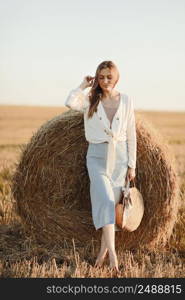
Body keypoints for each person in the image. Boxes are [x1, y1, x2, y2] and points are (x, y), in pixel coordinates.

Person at [65, 60, 136, 274]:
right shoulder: (89, 99)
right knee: (104, 200)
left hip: (121, 157)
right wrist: (82, 86)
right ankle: (113, 255)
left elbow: (131, 133)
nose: (106, 81)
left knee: (112, 209)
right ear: (97, 77)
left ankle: (102, 253)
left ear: (116, 78)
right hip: (96, 156)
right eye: (102, 76)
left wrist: (132, 164)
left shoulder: (126, 100)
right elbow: (69, 102)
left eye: (109, 77)